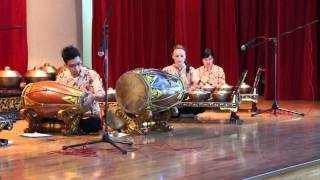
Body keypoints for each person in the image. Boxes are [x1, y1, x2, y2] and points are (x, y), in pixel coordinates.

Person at [56, 45, 105, 133]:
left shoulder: (91, 74)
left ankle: (73, 128)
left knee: (93, 123)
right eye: (72, 66)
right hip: (68, 116)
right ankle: (72, 127)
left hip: (88, 116)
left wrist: (93, 97)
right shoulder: (61, 77)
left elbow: (101, 94)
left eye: (78, 64)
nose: (77, 68)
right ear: (66, 65)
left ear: (81, 60)